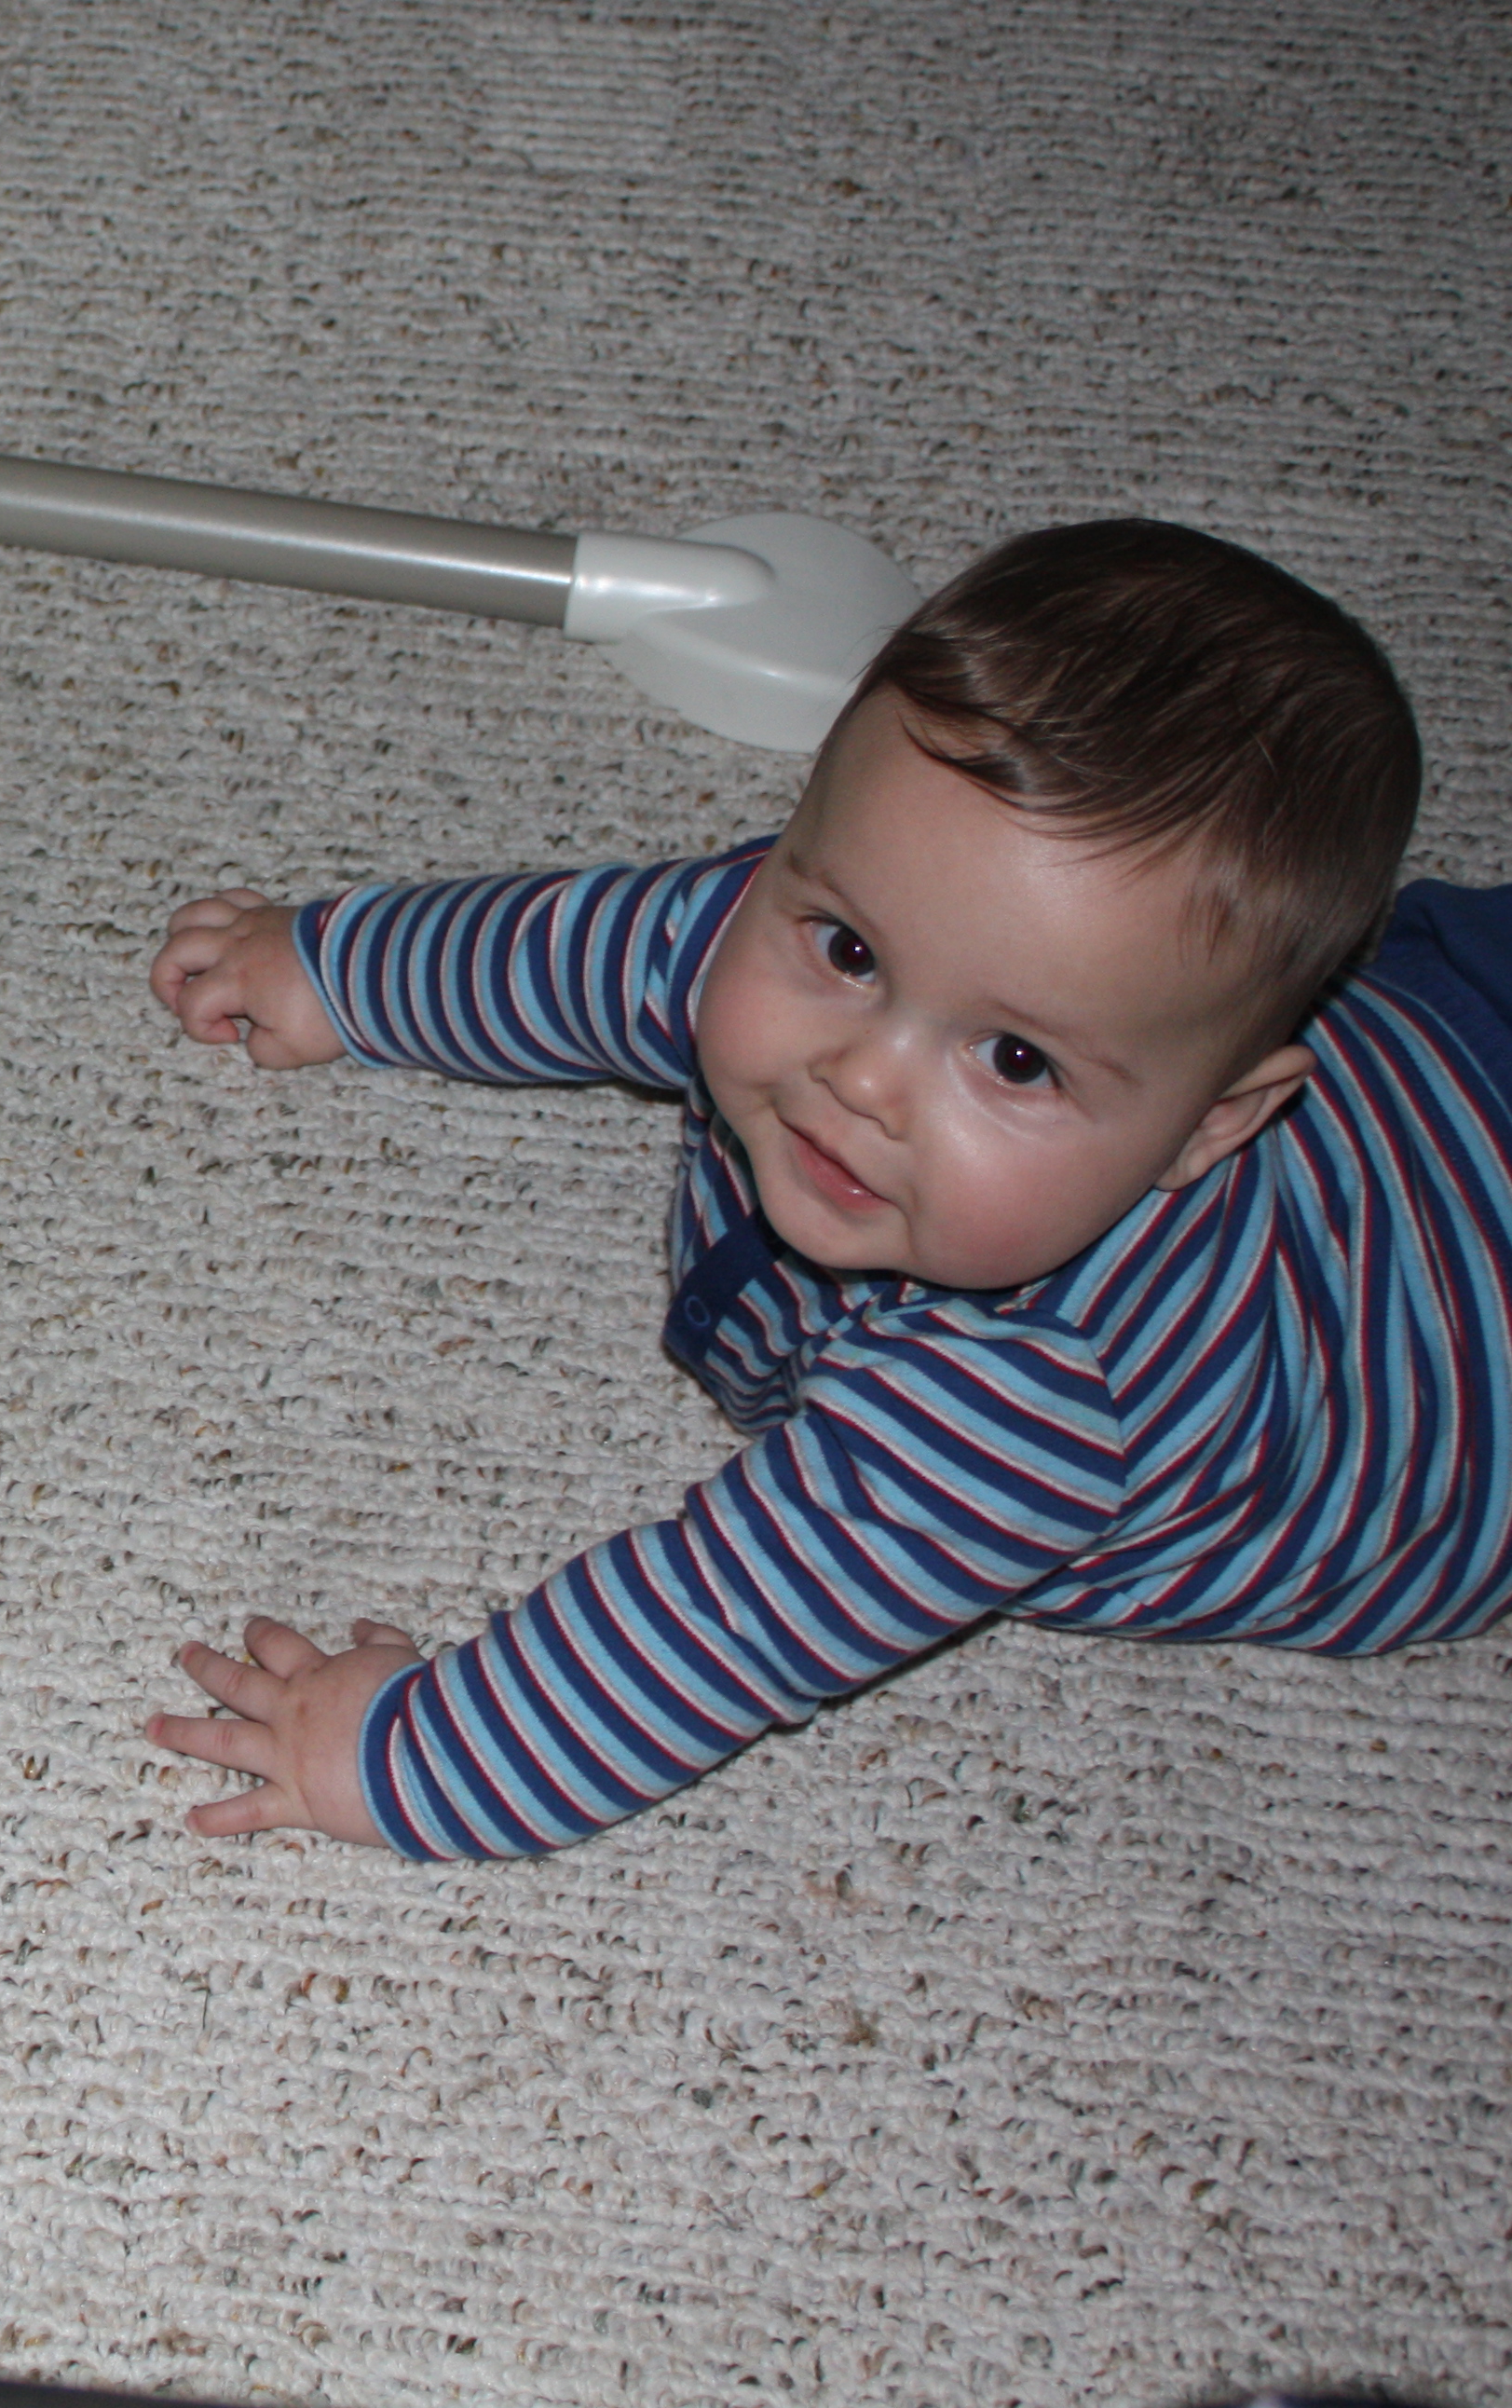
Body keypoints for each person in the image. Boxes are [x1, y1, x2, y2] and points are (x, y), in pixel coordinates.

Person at [140, 519, 1512, 1858]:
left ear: (1209, 1127)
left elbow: (716, 1623)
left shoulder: (1029, 1397)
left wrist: (408, 1756)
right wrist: (341, 966)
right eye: (852, 952)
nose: (862, 1077)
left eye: (1015, 1059)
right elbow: (590, 948)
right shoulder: (816, 925)